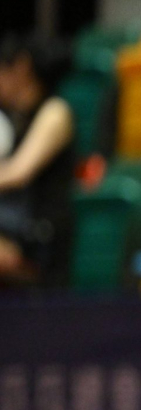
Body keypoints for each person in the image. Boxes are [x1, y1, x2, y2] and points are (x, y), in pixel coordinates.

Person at [0, 34, 75, 284]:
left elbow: (18, 173)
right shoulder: (13, 119)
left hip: (41, 237)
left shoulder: (55, 112)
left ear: (22, 67)